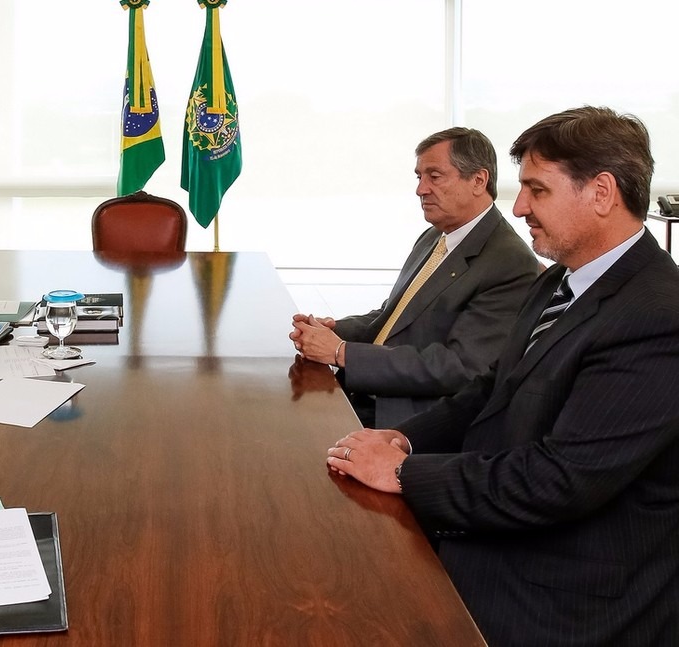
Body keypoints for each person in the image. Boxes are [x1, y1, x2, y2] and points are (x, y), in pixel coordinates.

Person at [328, 107, 679, 645]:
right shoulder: (557, 282)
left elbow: (560, 480)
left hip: (565, 598)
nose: (518, 208)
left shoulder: (658, 316)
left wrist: (403, 474)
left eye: (537, 191)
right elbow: (491, 388)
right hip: (499, 534)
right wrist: (404, 437)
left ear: (602, 193)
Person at [290, 127, 539, 428]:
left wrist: (341, 352)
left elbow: (460, 367)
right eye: (419, 177)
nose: (421, 189)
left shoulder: (508, 261)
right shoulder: (435, 237)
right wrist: (331, 330)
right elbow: (392, 318)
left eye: (434, 177)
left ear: (478, 180)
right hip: (366, 392)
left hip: (409, 421)